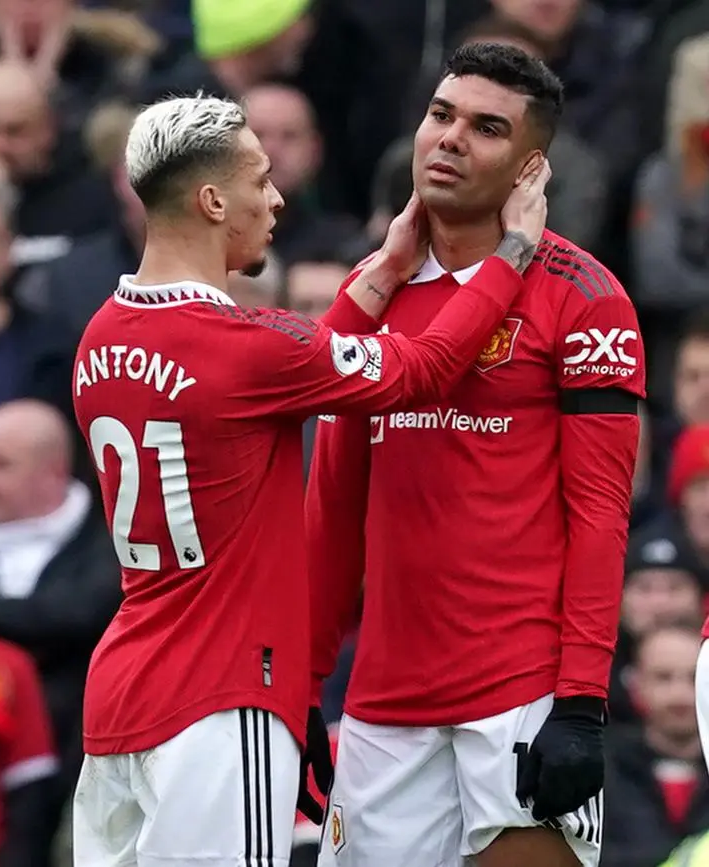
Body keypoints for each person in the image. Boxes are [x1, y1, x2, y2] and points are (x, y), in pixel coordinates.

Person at [70, 92, 552, 866]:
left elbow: (292, 370)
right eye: (260, 180)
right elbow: (419, 372)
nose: (276, 198)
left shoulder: (100, 334)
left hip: (121, 698)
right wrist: (511, 257)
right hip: (220, 698)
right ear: (212, 199)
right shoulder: (245, 346)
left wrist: (388, 267)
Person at [307, 43, 645, 867]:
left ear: (532, 168)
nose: (451, 139)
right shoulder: (374, 291)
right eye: (441, 115)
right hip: (385, 699)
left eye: (486, 128)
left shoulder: (588, 298)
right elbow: (330, 507)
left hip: (520, 694)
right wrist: (304, 684)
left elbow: (599, 515)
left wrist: (581, 703)